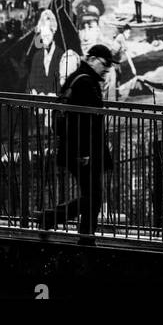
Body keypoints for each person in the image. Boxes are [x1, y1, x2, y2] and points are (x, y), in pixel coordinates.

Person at [55, 44, 115, 243]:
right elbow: (82, 122)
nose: (106, 69)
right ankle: (57, 220)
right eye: (104, 64)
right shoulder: (85, 82)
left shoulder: (79, 78)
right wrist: (84, 151)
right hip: (82, 152)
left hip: (79, 149)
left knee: (93, 196)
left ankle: (84, 235)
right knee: (94, 196)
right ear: (92, 59)